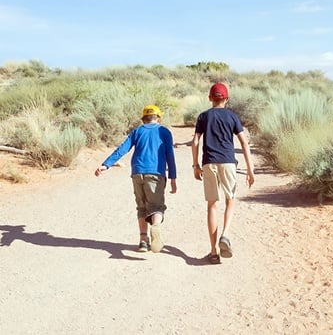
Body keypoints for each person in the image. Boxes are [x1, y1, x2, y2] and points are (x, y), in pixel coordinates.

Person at [95, 105, 177, 253]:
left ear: (143, 118)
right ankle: (156, 227)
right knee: (156, 206)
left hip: (137, 173)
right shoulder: (164, 132)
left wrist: (106, 164)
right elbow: (170, 155)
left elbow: (122, 149)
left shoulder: (137, 131)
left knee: (142, 207)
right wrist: (173, 178)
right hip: (156, 173)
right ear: (158, 117)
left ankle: (143, 241)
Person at [191, 83, 255, 264]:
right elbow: (244, 143)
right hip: (228, 162)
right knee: (230, 200)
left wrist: (195, 165)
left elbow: (195, 142)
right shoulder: (232, 116)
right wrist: (250, 170)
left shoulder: (203, 116)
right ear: (226, 99)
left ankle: (213, 252)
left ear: (210, 98)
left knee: (212, 205)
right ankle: (225, 235)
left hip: (209, 163)